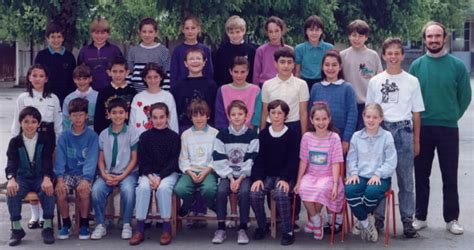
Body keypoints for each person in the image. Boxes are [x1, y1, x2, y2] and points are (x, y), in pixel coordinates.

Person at [409, 21, 472, 235]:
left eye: (437, 36)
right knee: (421, 174)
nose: (434, 40)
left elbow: (465, 96)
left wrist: (452, 115)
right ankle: (420, 217)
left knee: (449, 175)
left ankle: (451, 219)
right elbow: (411, 98)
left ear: (444, 38)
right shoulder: (417, 66)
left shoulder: (457, 66)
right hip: (422, 127)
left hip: (447, 128)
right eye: (430, 36)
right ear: (425, 39)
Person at [366, 37, 425, 238]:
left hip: (404, 132)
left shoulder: (411, 81)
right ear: (383, 55)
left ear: (402, 55)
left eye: (396, 53)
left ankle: (408, 220)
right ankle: (379, 217)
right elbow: (370, 111)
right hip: (382, 131)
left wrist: (416, 140)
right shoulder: (375, 81)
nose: (393, 57)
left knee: (406, 179)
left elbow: (417, 113)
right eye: (389, 53)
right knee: (381, 177)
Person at [11, 64, 62, 230]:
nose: (38, 79)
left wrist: (58, 144)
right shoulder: (23, 97)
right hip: (26, 137)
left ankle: (45, 216)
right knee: (29, 173)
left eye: (41, 76)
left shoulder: (53, 98)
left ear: (46, 79)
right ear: (29, 77)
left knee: (44, 175)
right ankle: (35, 215)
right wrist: (15, 141)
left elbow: (58, 123)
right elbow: (17, 120)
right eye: (35, 75)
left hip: (48, 139)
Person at [129, 103, 180, 246]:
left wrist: (160, 177)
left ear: (167, 117)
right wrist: (150, 176)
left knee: (163, 188)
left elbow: (174, 161)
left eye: (162, 117)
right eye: (155, 117)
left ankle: (166, 227)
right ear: (150, 118)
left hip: (168, 173)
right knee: (143, 188)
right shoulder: (145, 137)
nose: (158, 120)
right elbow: (143, 160)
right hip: (149, 173)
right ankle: (139, 228)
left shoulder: (174, 137)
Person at [345, 103, 397, 242]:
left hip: (381, 176)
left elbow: (391, 162)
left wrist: (378, 174)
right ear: (363, 117)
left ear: (381, 119)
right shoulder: (356, 136)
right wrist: (354, 173)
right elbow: (351, 158)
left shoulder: (387, 136)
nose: (371, 120)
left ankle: (361, 219)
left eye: (375, 117)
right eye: (368, 116)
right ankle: (366, 222)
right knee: (350, 190)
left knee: (371, 193)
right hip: (360, 175)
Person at [250, 100, 299, 245]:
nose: (276, 116)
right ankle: (262, 225)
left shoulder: (292, 134)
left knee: (280, 193)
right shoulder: (264, 134)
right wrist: (258, 178)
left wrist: (284, 178)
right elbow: (259, 158)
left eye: (279, 113)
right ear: (269, 114)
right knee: (255, 193)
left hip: (286, 176)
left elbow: (293, 160)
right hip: (268, 176)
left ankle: (287, 231)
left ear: (285, 115)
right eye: (273, 112)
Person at [5, 107, 56, 246]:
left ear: (38, 124)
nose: (29, 125)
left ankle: (47, 226)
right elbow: (11, 162)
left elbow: (47, 160)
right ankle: (16, 229)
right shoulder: (15, 142)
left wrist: (47, 177)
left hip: (40, 176)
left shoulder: (45, 140)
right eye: (26, 121)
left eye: (33, 122)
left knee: (48, 190)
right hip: (22, 177)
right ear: (20, 123)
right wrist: (11, 178)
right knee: (12, 192)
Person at [294, 103, 344, 241]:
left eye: (324, 119)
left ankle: (313, 222)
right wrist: (298, 181)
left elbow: (335, 162)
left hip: (328, 176)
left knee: (321, 190)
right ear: (311, 120)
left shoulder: (334, 137)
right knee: (303, 189)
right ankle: (317, 220)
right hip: (311, 175)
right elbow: (303, 161)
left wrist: (335, 184)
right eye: (317, 119)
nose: (321, 122)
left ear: (329, 119)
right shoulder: (307, 137)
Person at [91, 98, 139, 240]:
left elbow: (134, 158)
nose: (117, 116)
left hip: (127, 173)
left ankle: (126, 224)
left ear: (126, 115)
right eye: (114, 113)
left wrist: (122, 176)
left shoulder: (132, 133)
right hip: (108, 173)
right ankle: (100, 224)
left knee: (128, 190)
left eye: (121, 112)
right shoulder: (103, 134)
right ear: (108, 115)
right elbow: (100, 159)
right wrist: (104, 175)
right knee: (97, 190)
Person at [212, 100, 259, 244]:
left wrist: (240, 179)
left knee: (245, 192)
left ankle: (243, 228)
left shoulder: (252, 135)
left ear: (246, 116)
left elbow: (252, 158)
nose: (237, 117)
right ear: (228, 116)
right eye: (233, 114)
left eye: (240, 114)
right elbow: (218, 159)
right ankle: (220, 228)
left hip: (245, 175)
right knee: (221, 191)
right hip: (228, 175)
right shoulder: (222, 135)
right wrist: (231, 178)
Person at [55, 98, 99, 240]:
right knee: (61, 192)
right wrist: (60, 178)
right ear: (69, 117)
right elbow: (60, 158)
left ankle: (84, 224)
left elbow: (92, 159)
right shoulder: (64, 136)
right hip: (68, 173)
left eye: (81, 115)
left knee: (84, 191)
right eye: (75, 115)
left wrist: (86, 179)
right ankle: (66, 224)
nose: (78, 118)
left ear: (86, 116)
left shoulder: (92, 136)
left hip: (84, 174)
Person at [174, 99, 219, 220]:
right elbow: (183, 157)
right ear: (191, 117)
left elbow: (217, 157)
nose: (199, 119)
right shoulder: (186, 135)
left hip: (208, 170)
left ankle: (210, 204)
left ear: (208, 116)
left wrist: (206, 171)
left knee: (209, 190)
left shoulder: (215, 134)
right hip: (191, 170)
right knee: (180, 189)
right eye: (195, 115)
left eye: (202, 115)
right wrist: (189, 171)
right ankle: (189, 203)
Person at [309, 50, 357, 155]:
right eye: (327, 65)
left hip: (341, 136)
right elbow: (310, 113)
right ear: (322, 67)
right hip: (319, 136)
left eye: (334, 65)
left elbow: (352, 115)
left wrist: (346, 139)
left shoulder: (347, 88)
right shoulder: (316, 88)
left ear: (340, 67)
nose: (330, 68)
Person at [340, 19, 383, 129]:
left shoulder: (373, 55)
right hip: (348, 104)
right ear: (349, 36)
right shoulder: (342, 56)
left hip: (368, 104)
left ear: (366, 37)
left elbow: (380, 80)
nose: (357, 39)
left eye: (360, 35)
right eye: (354, 35)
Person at [171, 47, 217, 133]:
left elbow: (214, 111)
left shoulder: (212, 85)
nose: (195, 61)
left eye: (198, 58)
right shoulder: (178, 87)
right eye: (191, 59)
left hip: (207, 129)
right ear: (185, 63)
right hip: (184, 129)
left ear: (204, 62)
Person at [34, 22, 76, 106]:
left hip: (66, 98)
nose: (56, 40)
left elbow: (73, 79)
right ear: (47, 38)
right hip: (46, 97)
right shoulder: (41, 56)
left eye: (59, 37)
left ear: (63, 38)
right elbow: (36, 76)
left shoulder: (69, 57)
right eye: (52, 37)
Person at [129, 62, 178, 134]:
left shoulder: (168, 97)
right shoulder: (138, 97)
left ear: (161, 77)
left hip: (164, 139)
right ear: (144, 79)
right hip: (141, 140)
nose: (153, 80)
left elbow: (173, 122)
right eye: (149, 77)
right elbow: (132, 123)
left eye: (156, 77)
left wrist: (175, 139)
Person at [215, 56, 261, 130]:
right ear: (230, 71)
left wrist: (250, 131)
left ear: (248, 72)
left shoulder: (256, 90)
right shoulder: (223, 90)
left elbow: (257, 116)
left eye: (243, 72)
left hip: (250, 133)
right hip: (228, 133)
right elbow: (220, 116)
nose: (239, 75)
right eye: (236, 72)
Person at [77, 17, 123, 91]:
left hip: (111, 91)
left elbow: (121, 72)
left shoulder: (115, 50)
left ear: (108, 33)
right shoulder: (84, 52)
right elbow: (79, 74)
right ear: (91, 33)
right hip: (90, 92)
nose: (99, 36)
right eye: (96, 33)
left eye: (103, 33)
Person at [94, 56, 137, 134]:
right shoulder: (103, 92)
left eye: (121, 71)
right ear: (109, 72)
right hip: (107, 134)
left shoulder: (133, 92)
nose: (118, 75)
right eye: (114, 71)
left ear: (127, 72)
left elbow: (134, 117)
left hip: (127, 134)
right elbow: (98, 117)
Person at [127, 17, 170, 92]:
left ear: (156, 33)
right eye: (144, 32)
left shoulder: (163, 51)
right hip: (137, 93)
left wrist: (164, 93)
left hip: (157, 94)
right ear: (139, 33)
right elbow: (129, 74)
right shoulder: (133, 51)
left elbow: (167, 75)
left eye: (150, 32)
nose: (147, 35)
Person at [170, 15, 213, 89]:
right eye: (187, 28)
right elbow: (174, 73)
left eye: (193, 28)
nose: (190, 31)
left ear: (198, 29)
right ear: (183, 30)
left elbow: (209, 72)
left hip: (202, 87)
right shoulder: (178, 50)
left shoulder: (205, 49)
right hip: (183, 89)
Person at [214, 15, 256, 87]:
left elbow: (254, 71)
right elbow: (218, 73)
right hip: (227, 88)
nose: (235, 35)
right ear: (227, 33)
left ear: (243, 31)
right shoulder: (221, 51)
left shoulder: (252, 50)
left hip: (247, 88)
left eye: (237, 32)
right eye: (232, 32)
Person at [295, 15, 334, 91]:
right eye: (311, 30)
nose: (314, 33)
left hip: (324, 81)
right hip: (304, 83)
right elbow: (297, 72)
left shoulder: (329, 48)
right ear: (306, 31)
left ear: (321, 31)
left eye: (317, 30)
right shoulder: (299, 48)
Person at [253, 16, 293, 86]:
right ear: (267, 33)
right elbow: (256, 74)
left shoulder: (289, 50)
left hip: (285, 84)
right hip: (265, 86)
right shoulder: (261, 50)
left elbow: (294, 71)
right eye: (271, 32)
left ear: (282, 31)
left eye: (276, 31)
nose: (274, 35)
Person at [62, 65, 98, 130]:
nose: (82, 82)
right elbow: (66, 121)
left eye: (85, 79)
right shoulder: (68, 99)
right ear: (74, 80)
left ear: (90, 79)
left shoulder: (98, 97)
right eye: (78, 79)